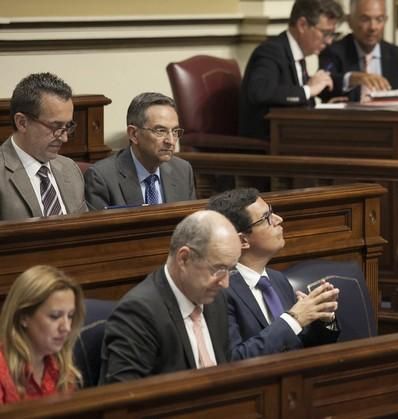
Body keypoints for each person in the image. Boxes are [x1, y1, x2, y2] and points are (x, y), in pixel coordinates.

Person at [99, 210, 241, 384]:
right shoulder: (139, 313)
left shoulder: (215, 299)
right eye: (218, 269)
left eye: (230, 270)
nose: (225, 283)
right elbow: (124, 399)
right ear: (184, 258)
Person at [207, 188, 340, 361]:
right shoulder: (219, 292)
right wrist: (294, 320)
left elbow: (300, 348)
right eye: (266, 218)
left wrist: (323, 320)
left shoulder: (277, 280)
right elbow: (234, 359)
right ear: (242, 241)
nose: (278, 219)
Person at [238, 0, 344, 140]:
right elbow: (259, 91)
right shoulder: (271, 51)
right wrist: (308, 90)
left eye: (332, 34)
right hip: (266, 146)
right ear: (302, 25)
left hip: (292, 138)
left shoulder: (297, 55)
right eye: (325, 33)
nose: (329, 41)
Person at [84, 92, 196, 210]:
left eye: (175, 131)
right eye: (160, 131)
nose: (171, 141)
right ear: (134, 134)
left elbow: (190, 224)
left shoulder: (183, 170)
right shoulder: (102, 178)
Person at [0, 73, 87, 220]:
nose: (64, 138)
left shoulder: (70, 169)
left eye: (67, 126)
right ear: (22, 122)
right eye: (55, 126)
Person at [0, 265, 85, 404]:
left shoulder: (62, 368)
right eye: (55, 316)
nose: (67, 328)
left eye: (70, 316)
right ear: (23, 316)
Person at [319, 0, 398, 102]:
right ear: (350, 21)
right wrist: (351, 79)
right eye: (365, 19)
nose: (373, 27)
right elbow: (324, 88)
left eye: (379, 19)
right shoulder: (332, 53)